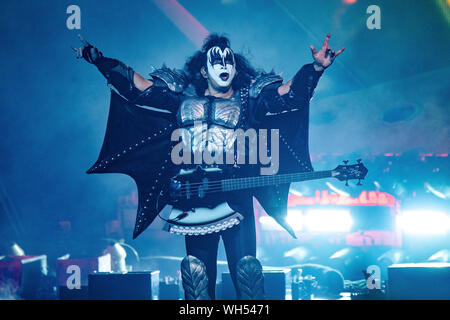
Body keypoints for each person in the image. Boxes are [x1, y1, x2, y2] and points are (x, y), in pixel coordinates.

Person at [73, 33, 344, 300]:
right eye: (217, 61)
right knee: (197, 279)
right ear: (203, 70)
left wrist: (316, 68)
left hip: (236, 196)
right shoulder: (180, 97)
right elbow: (140, 88)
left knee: (247, 274)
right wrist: (100, 61)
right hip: (195, 198)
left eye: (229, 62)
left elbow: (289, 95)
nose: (224, 66)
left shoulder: (249, 98)